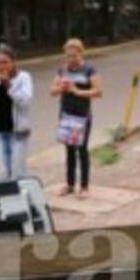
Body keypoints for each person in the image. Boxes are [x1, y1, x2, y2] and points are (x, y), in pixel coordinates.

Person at [50, 38, 102, 197]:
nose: (71, 59)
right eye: (68, 56)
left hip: (82, 116)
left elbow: (98, 91)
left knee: (82, 150)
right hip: (66, 115)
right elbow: (52, 92)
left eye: (74, 56)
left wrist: (76, 91)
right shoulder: (62, 70)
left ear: (81, 54)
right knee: (69, 150)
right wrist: (61, 87)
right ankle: (70, 184)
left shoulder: (89, 70)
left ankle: (84, 187)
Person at [0, 44, 33, 181]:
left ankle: (22, 200)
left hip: (17, 133)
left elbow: (25, 102)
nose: (2, 66)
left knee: (18, 174)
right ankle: (7, 201)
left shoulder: (24, 78)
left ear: (14, 61)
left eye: (5, 62)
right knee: (3, 174)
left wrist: (8, 85)